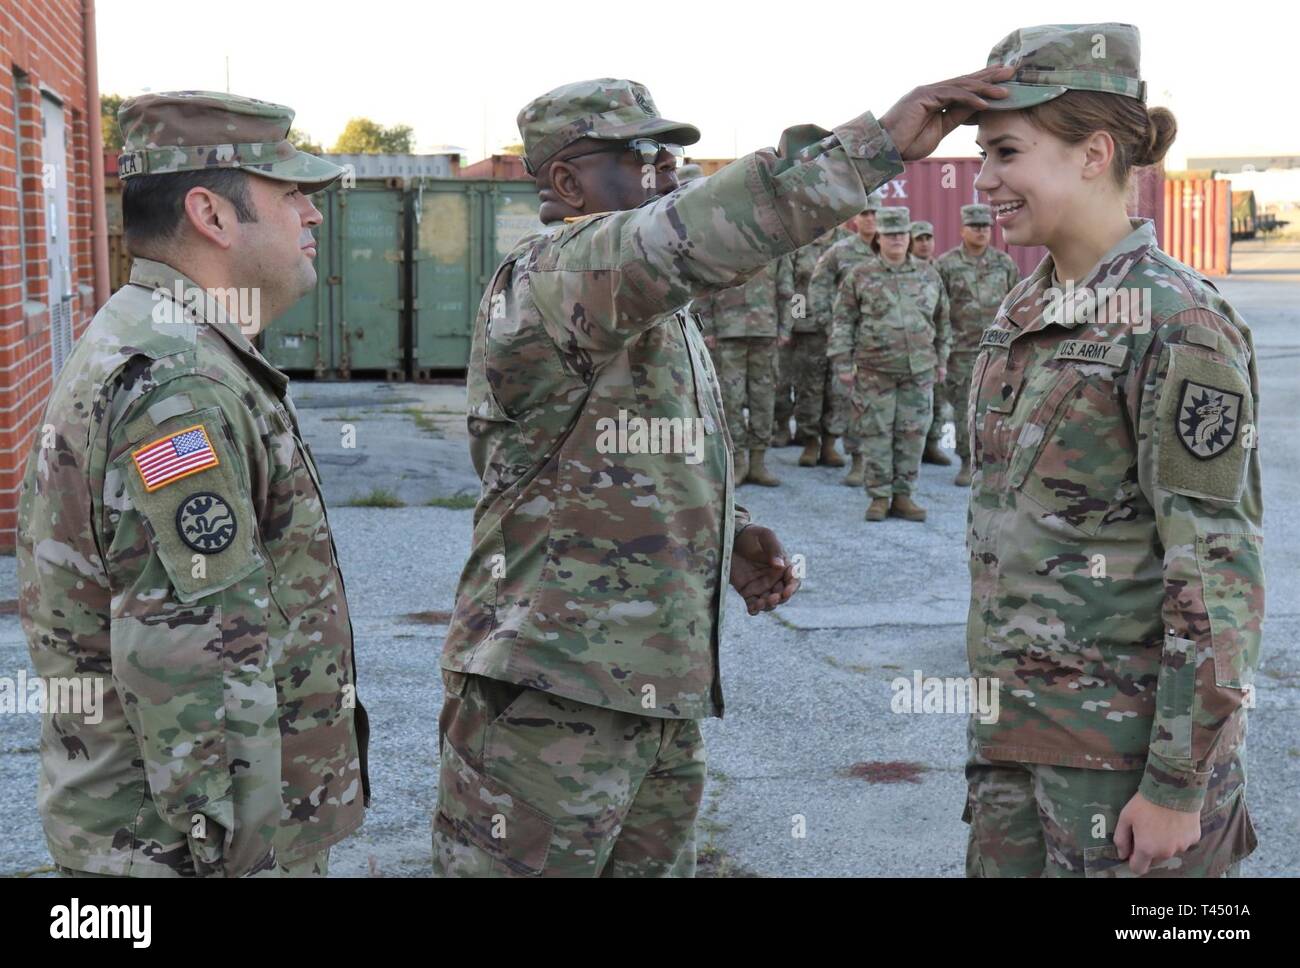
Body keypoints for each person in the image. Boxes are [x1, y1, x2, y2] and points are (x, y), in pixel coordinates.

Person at [434, 70, 1012, 877]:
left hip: (654, 687)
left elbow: (631, 454)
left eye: (673, 155)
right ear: (565, 179)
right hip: (553, 695)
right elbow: (703, 229)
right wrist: (877, 142)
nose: (669, 172)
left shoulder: (644, 305)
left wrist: (727, 533)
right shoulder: (555, 275)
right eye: (643, 155)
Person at [16, 91, 369, 877]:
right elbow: (191, 652)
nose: (311, 217)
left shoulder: (159, 336)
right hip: (187, 853)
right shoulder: (182, 382)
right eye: (290, 195)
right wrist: (233, 851)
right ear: (212, 214)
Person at [963, 23, 1261, 877]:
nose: (985, 181)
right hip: (1015, 742)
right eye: (983, 156)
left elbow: (1215, 569)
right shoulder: (1024, 309)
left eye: (1006, 152)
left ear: (1094, 153)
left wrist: (1176, 784)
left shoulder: (1176, 321)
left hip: (1122, 767)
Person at [829, 206, 949, 522]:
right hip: (873, 370)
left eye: (901, 233)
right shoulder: (860, 275)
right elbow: (843, 321)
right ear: (878, 238)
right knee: (876, 433)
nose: (896, 239)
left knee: (913, 434)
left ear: (908, 237)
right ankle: (879, 497)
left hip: (919, 369)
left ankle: (904, 496)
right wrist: (843, 363)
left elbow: (943, 320)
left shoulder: (928, 273)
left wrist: (942, 360)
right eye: (889, 234)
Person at [930, 204, 1019, 485]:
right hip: (960, 350)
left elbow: (1017, 307)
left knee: (999, 407)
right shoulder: (945, 264)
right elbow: (935, 308)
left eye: (986, 227)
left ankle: (996, 463)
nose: (981, 232)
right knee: (963, 409)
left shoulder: (1004, 263)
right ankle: (968, 463)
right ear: (963, 229)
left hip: (998, 351)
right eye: (975, 227)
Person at [808, 192, 885, 485]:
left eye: (875, 214)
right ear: (855, 218)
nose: (870, 219)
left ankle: (883, 465)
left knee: (885, 403)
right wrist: (832, 325)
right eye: (865, 213)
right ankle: (857, 461)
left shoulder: (892, 248)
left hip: (885, 341)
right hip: (852, 340)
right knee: (852, 400)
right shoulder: (839, 252)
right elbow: (818, 287)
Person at [775, 221, 855, 468]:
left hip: (842, 327)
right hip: (808, 328)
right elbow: (792, 287)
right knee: (808, 387)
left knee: (837, 390)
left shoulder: (848, 242)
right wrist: (793, 322)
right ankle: (810, 441)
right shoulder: (800, 240)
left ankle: (830, 443)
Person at [698, 261, 784, 486]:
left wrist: (786, 327)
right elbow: (704, 288)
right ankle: (738, 461)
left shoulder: (776, 246)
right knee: (730, 399)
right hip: (727, 332)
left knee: (763, 399)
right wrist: (707, 328)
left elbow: (788, 290)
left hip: (765, 332)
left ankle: (758, 462)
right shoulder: (723, 240)